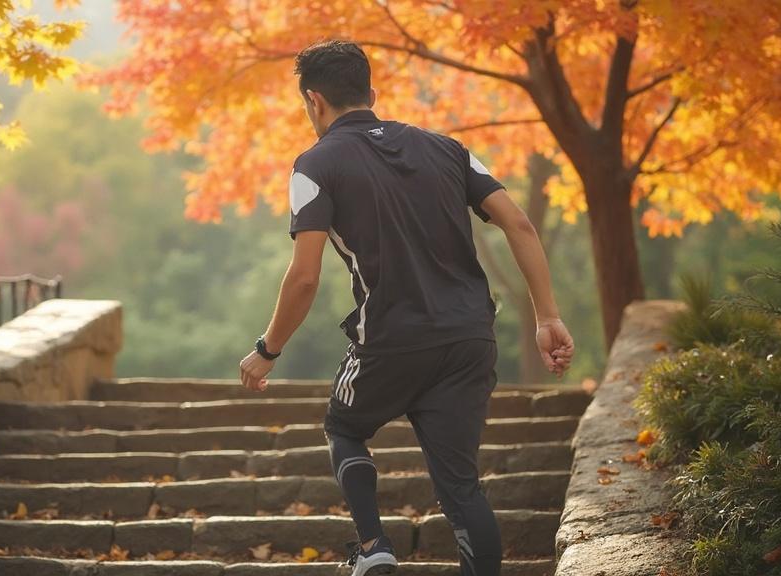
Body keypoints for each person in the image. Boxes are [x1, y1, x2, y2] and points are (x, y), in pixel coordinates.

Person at [239, 39, 574, 576]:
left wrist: (267, 349)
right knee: (462, 486)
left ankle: (374, 546)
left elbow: (304, 276)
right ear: (371, 93)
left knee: (344, 428)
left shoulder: (314, 165)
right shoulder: (448, 148)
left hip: (390, 340)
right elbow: (520, 224)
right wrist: (547, 316)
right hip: (468, 338)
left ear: (313, 101)